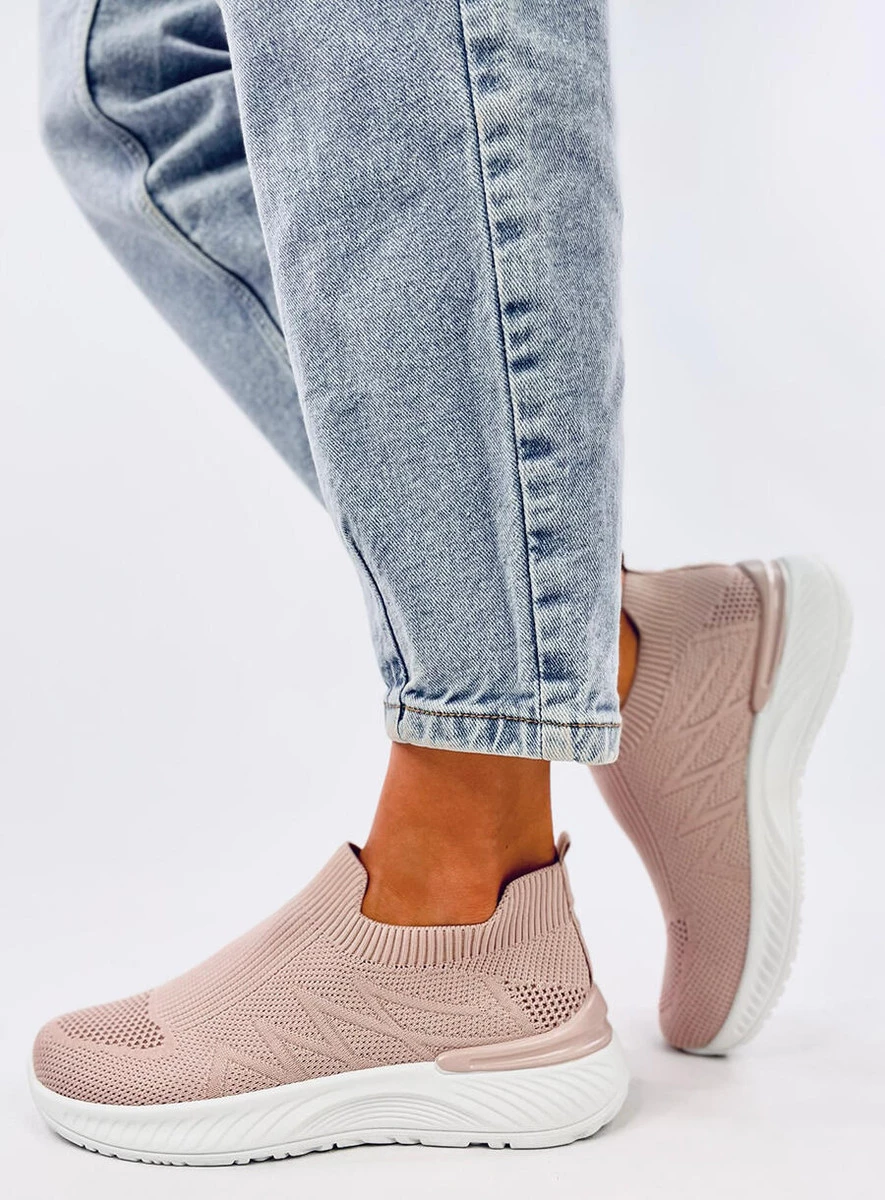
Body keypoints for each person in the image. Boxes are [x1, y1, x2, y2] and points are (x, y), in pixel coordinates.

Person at [31, 0, 850, 1165]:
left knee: (392, 23)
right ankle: (620, 654)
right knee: (134, 82)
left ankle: (463, 883)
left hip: (462, 885)